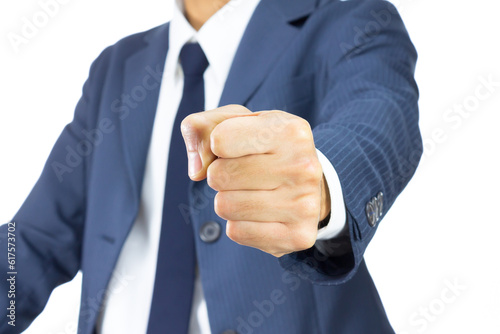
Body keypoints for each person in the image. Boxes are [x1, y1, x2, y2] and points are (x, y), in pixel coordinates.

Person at [0, 0, 423, 333]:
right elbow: (31, 245)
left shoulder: (352, 20)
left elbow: (378, 120)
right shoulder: (117, 66)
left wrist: (323, 185)